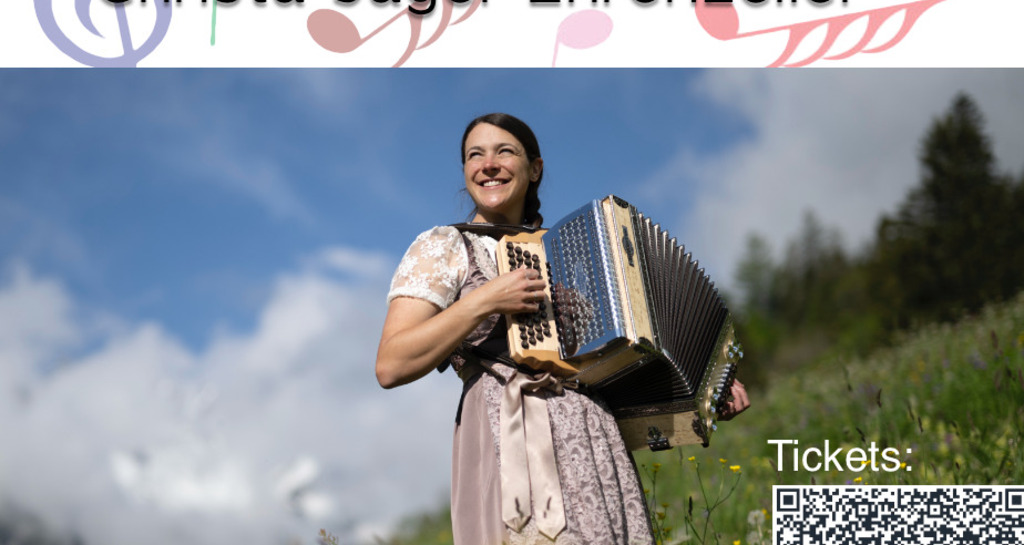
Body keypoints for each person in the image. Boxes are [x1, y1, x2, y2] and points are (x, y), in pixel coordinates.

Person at [375, 113, 749, 545]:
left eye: (504, 152)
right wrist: (486, 300)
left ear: (535, 168)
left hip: (594, 441)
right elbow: (391, 364)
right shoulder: (443, 244)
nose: (488, 164)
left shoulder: (574, 251)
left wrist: (704, 389)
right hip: (510, 435)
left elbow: (624, 357)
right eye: (474, 155)